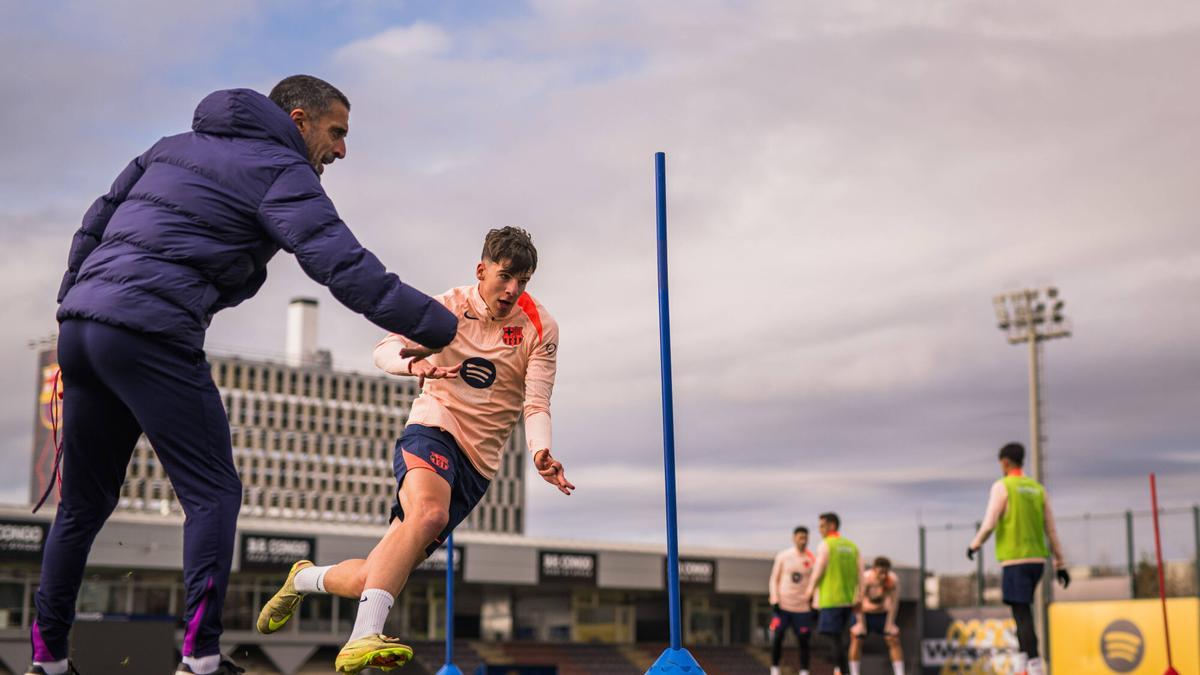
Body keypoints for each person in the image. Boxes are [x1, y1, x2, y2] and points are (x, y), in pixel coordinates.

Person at [28, 75, 456, 675]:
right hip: (151, 333)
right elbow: (344, 266)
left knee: (81, 505)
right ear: (300, 119)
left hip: (80, 331)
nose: (341, 151)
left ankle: (46, 661)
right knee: (213, 494)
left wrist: (76, 301)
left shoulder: (166, 147)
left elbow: (94, 223)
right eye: (336, 133)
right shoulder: (282, 170)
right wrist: (442, 327)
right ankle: (200, 658)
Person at [256, 226, 573, 673]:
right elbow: (385, 348)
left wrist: (542, 452)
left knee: (373, 575)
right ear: (481, 270)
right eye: (505, 276)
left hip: (478, 465)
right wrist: (414, 363)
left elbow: (537, 403)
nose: (513, 290)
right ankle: (362, 637)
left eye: (523, 281)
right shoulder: (446, 308)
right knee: (430, 513)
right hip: (433, 427)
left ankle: (303, 578)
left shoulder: (541, 326)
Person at [967, 443, 1069, 675]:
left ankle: (1035, 667)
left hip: (1015, 560)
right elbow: (1051, 529)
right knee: (1020, 611)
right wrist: (1060, 564)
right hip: (1037, 562)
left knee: (1022, 614)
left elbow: (990, 522)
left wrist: (975, 545)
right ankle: (1023, 665)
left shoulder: (1003, 486)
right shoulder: (1037, 488)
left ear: (1004, 462)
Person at [803, 512, 862, 675]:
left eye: (822, 526)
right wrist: (859, 595)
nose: (820, 530)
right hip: (849, 600)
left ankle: (842, 670)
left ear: (832, 526)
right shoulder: (851, 546)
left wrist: (809, 591)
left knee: (832, 637)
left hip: (831, 600)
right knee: (842, 638)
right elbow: (860, 572)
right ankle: (840, 669)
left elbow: (818, 570)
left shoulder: (826, 545)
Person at [768, 526, 816, 675]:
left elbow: (816, 583)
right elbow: (774, 579)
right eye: (800, 537)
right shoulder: (783, 556)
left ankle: (804, 671)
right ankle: (775, 669)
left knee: (803, 640)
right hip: (782, 606)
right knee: (777, 637)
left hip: (802, 608)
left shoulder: (812, 559)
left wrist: (814, 604)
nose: (803, 540)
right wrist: (775, 599)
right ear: (794, 538)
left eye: (805, 537)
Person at [849, 556, 904, 675]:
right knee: (856, 638)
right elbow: (858, 602)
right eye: (880, 573)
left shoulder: (892, 580)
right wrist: (861, 624)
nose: (883, 576)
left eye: (886, 572)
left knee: (893, 638)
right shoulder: (865, 578)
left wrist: (890, 624)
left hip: (882, 614)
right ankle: (854, 672)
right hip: (864, 615)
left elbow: (894, 604)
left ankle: (900, 672)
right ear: (874, 570)